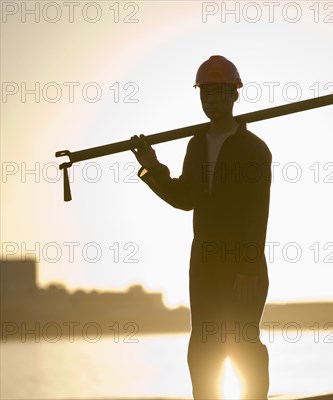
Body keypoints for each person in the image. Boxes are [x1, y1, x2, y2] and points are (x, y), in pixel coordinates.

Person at [130, 55, 272, 400]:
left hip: (243, 267)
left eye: (220, 93)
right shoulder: (196, 144)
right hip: (205, 265)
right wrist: (152, 169)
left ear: (235, 95)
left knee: (243, 347)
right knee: (203, 352)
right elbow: (186, 198)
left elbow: (257, 213)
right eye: (206, 93)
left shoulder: (254, 150)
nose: (212, 100)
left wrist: (249, 268)